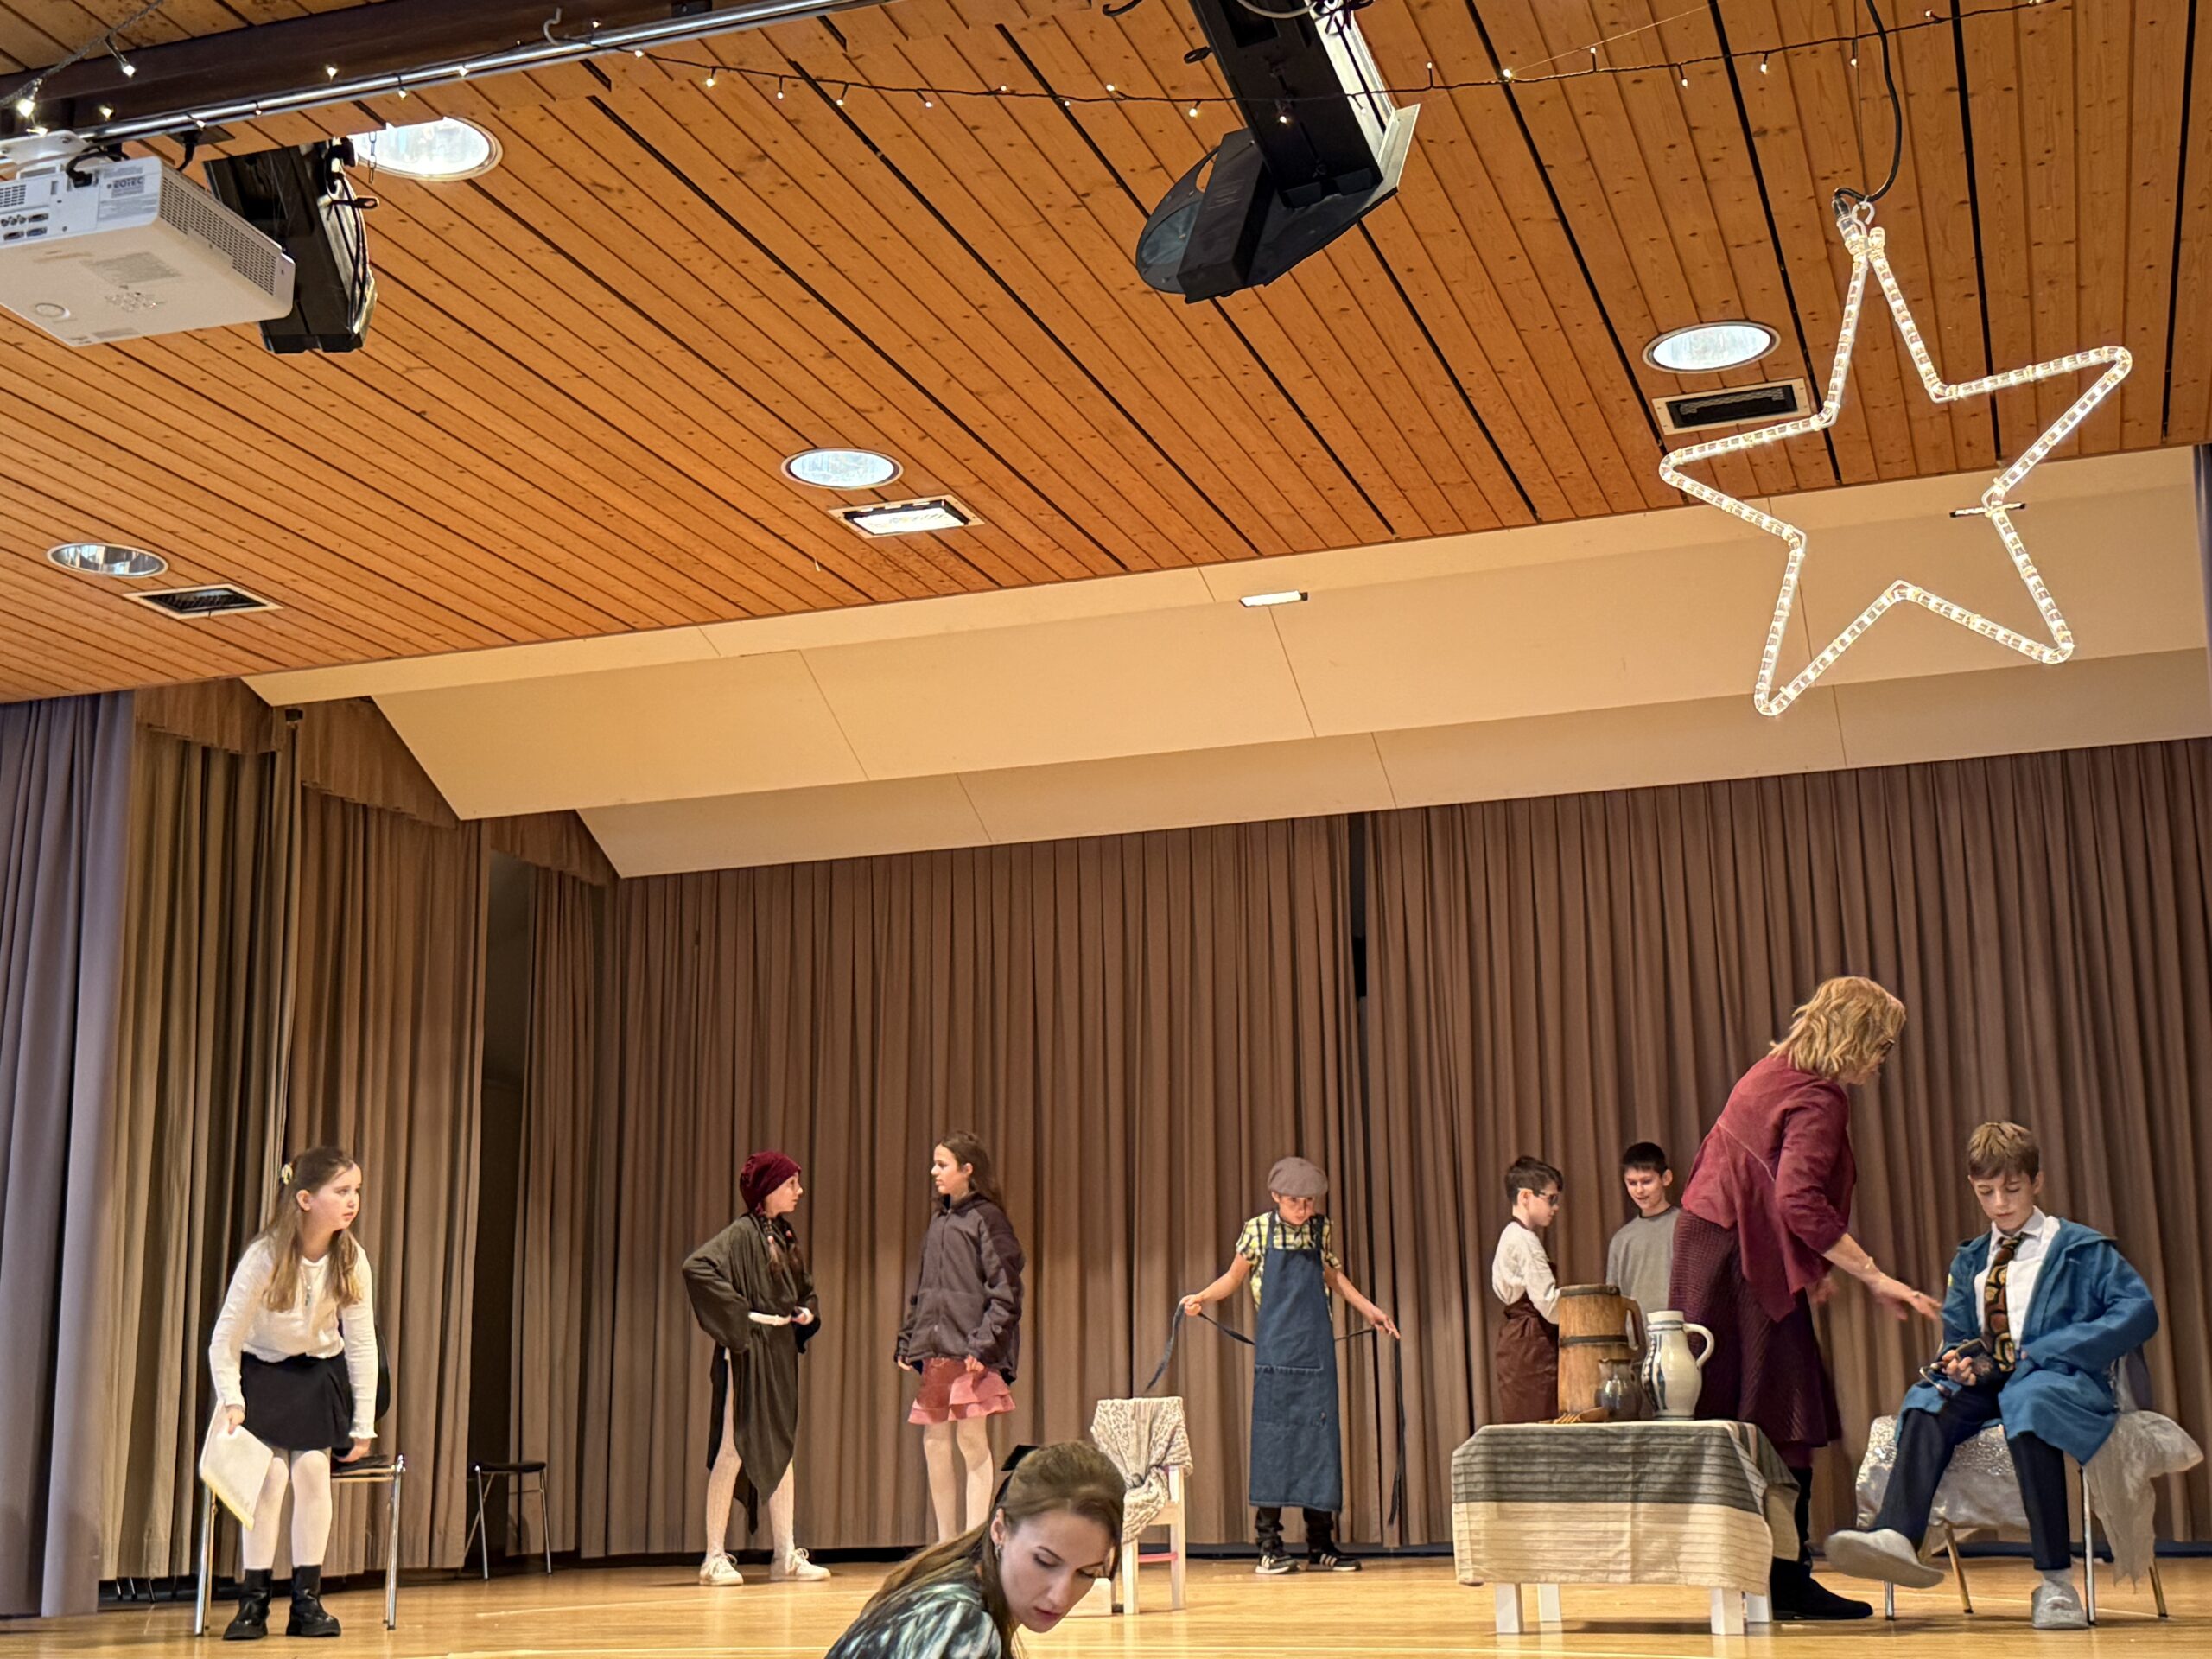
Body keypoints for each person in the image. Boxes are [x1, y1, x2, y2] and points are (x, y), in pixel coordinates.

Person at [1669, 976, 1942, 1622]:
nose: (1883, 1059)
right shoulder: (1819, 1096)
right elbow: (1795, 1199)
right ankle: (1784, 1581)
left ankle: (1755, 1575)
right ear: (1856, 1038)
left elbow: (1756, 1178)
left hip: (1714, 1247)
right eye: (1882, 1045)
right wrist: (1874, 1275)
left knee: (1737, 1409)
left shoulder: (1772, 1072)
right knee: (1784, 1409)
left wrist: (1803, 1264)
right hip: (1738, 1260)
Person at [1825, 1122, 2158, 1630]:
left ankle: (2056, 1584)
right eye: (1986, 1192)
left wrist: (2051, 1348)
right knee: (1928, 1399)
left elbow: (2137, 1311)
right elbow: (1961, 1334)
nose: (2000, 1204)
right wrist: (1958, 1360)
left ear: (2037, 1182)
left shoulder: (2082, 1250)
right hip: (1992, 1378)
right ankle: (1897, 1537)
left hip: (2057, 1378)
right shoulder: (1972, 1258)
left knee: (2030, 1403)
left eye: (2012, 1189)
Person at [1180, 1155, 1400, 1575]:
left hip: (1315, 1354)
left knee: (1321, 1445)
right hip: (1277, 1356)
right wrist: (1202, 1297)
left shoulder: (1320, 1229)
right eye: (1296, 1202)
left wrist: (1370, 1310)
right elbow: (1233, 1278)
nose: (1304, 1209)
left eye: (1310, 1202)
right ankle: (1269, 1545)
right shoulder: (1258, 1230)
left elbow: (1334, 1277)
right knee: (1273, 1445)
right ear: (1276, 1197)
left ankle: (1321, 1544)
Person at [207, 1147, 382, 1642]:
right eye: (341, 1191)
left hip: (316, 1377)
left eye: (356, 1191)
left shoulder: (351, 1259)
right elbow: (225, 1339)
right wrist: (232, 1399)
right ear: (305, 1199)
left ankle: (307, 1601)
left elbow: (361, 1344)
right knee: (271, 1478)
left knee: (311, 1474)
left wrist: (362, 1423)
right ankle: (253, 1601)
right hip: (263, 1375)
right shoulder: (265, 1256)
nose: (353, 1201)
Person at [823, 1440, 1122, 1659]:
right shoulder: (960, 1623)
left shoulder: (952, 1583)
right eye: (1044, 1562)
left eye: (1087, 1573)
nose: (1061, 1596)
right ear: (1000, 1530)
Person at [682, 1149, 827, 1587]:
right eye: (790, 1184)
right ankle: (713, 1556)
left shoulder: (784, 1234)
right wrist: (739, 1316)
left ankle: (785, 1554)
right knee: (733, 1444)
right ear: (767, 1189)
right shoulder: (740, 1234)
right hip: (749, 1351)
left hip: (778, 1349)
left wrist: (805, 1312)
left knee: (782, 1444)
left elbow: (803, 1288)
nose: (799, 1191)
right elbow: (696, 1267)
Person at [897, 1133, 1025, 1542]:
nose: (934, 1172)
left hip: (972, 1351)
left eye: (943, 1164)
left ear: (968, 1170)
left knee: (971, 1439)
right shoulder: (939, 1221)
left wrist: (985, 1344)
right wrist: (909, 1338)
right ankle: (946, 1542)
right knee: (935, 1442)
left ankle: (973, 1541)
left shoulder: (988, 1219)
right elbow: (926, 1289)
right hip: (938, 1350)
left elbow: (1006, 1289)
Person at [1490, 1156, 1563, 1426]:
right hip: (1532, 1344)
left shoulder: (1509, 1234)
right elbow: (1549, 1306)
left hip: (1516, 1341)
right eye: (1551, 1199)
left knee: (1523, 1425)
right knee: (1539, 1427)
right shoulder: (1525, 1240)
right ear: (1525, 1196)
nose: (1555, 1207)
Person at [1605, 1141, 1679, 1321]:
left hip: (1680, 1330)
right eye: (1632, 1183)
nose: (1639, 1190)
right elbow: (1613, 1299)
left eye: (1647, 1181)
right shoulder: (1622, 1239)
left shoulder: (1685, 1225)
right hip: (1635, 1334)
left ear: (1666, 1178)